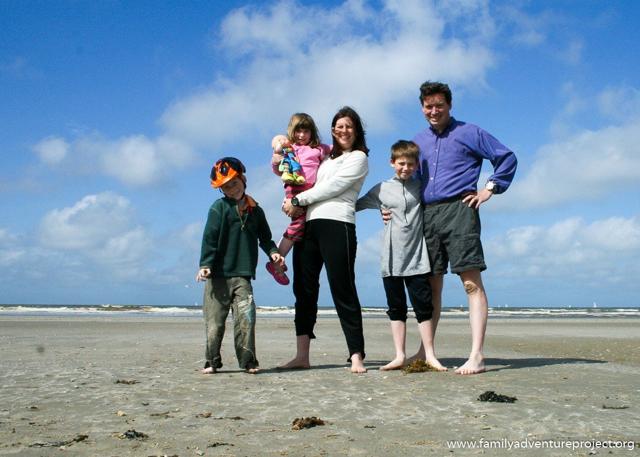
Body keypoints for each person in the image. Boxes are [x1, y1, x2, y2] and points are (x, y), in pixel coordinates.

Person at [409, 81, 518, 375]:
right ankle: (425, 351)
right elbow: (410, 181)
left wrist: (489, 189)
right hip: (426, 215)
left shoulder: (470, 132)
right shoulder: (417, 141)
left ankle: (477, 355)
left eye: (439, 106)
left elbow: (506, 157)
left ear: (449, 105)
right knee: (431, 286)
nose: (434, 111)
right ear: (422, 108)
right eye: (428, 106)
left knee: (471, 283)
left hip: (460, 210)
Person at [279, 106, 369, 374]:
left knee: (343, 288)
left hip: (337, 224)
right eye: (339, 126)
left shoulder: (358, 158)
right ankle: (302, 355)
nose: (344, 130)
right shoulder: (325, 157)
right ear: (332, 130)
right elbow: (299, 171)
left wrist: (298, 200)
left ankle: (356, 354)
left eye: (349, 126)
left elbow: (333, 188)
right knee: (304, 291)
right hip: (308, 225)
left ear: (356, 131)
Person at [356, 140, 446, 372]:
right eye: (401, 163)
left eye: (410, 164)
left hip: (417, 259)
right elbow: (354, 205)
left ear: (417, 165)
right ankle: (399, 355)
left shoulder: (422, 186)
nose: (406, 168)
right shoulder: (381, 189)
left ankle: (430, 354)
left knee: (423, 308)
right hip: (391, 260)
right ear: (392, 162)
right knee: (396, 309)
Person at [196, 157, 285, 374]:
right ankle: (212, 361)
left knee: (246, 320)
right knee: (215, 323)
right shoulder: (219, 208)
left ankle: (248, 362)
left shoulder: (256, 210)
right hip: (218, 276)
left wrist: (273, 252)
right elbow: (210, 237)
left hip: (243, 275)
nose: (232, 189)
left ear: (243, 179)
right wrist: (205, 264)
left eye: (234, 183)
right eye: (226, 187)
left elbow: (265, 238)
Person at [266, 113, 331, 286]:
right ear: (292, 132)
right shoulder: (290, 148)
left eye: (306, 131)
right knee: (298, 225)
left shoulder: (319, 148)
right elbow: (278, 167)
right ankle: (276, 261)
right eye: (298, 131)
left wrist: (357, 149)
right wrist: (276, 156)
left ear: (312, 132)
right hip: (295, 189)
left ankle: (277, 258)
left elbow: (337, 148)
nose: (302, 135)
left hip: (310, 192)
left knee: (302, 226)